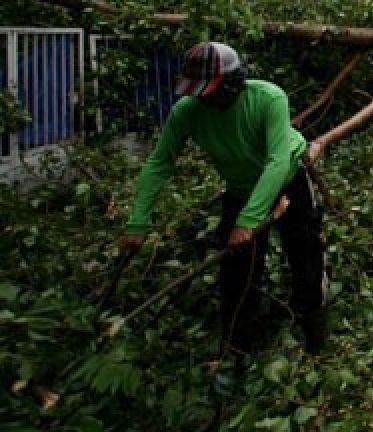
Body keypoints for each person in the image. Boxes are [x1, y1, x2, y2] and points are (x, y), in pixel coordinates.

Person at [117, 42, 328, 354]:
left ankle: (313, 338)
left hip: (288, 182)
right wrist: (137, 221)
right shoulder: (186, 112)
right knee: (235, 274)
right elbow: (159, 164)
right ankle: (237, 349)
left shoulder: (268, 98)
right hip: (241, 190)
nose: (202, 98)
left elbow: (277, 162)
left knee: (303, 257)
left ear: (233, 83)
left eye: (210, 91)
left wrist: (248, 220)